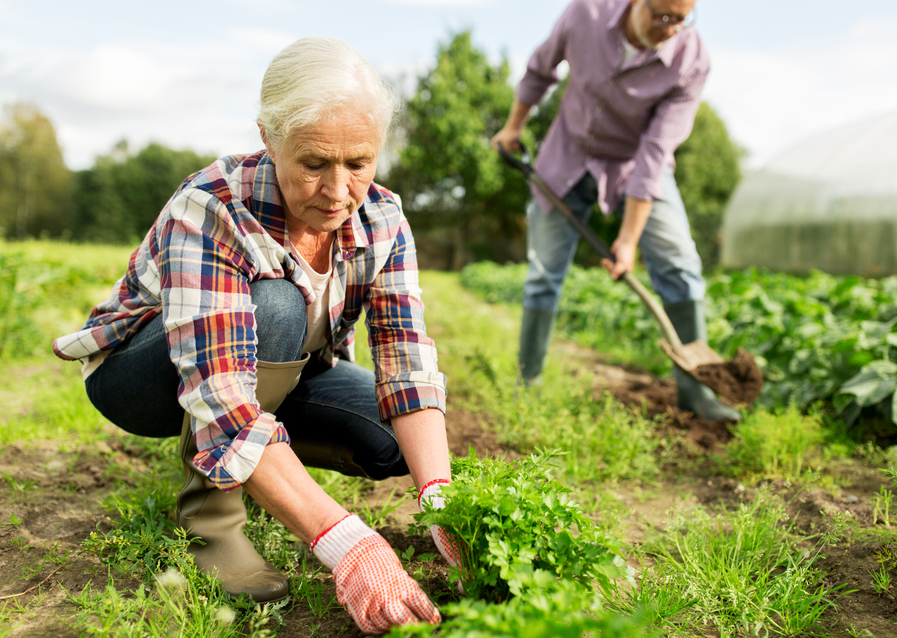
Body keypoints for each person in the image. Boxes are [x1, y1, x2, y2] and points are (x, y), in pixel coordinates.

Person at [53, 37, 459, 635]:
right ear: (269, 138)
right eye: (315, 163)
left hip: (281, 369)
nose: (340, 190)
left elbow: (405, 357)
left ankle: (266, 458)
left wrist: (442, 497)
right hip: (142, 376)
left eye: (359, 163)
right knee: (275, 306)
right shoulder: (212, 208)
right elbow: (220, 393)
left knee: (391, 440)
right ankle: (212, 517)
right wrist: (346, 541)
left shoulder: (384, 218)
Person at [491, 0, 740, 421]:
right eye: (660, 14)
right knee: (544, 273)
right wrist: (514, 126)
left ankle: (696, 393)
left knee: (680, 263)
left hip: (635, 166)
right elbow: (541, 69)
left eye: (680, 19)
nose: (669, 27)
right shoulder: (585, 13)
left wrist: (628, 241)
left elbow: (655, 153)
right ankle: (527, 385)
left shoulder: (690, 59)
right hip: (567, 156)